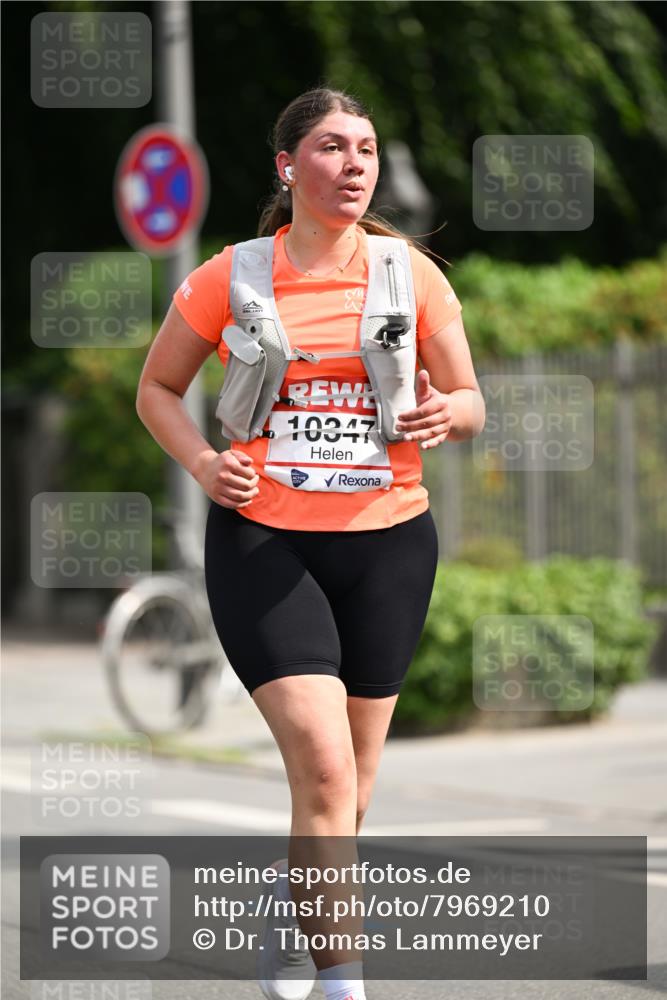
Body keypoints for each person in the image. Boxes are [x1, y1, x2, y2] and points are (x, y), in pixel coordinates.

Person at [136, 87, 484, 1000]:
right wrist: (205, 464)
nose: (353, 164)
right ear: (288, 167)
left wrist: (447, 412)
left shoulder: (411, 276)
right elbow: (157, 390)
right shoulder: (230, 276)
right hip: (265, 545)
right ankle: (343, 987)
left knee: (351, 790)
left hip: (388, 545)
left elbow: (470, 401)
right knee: (324, 771)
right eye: (332, 147)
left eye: (364, 148)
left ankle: (295, 914)